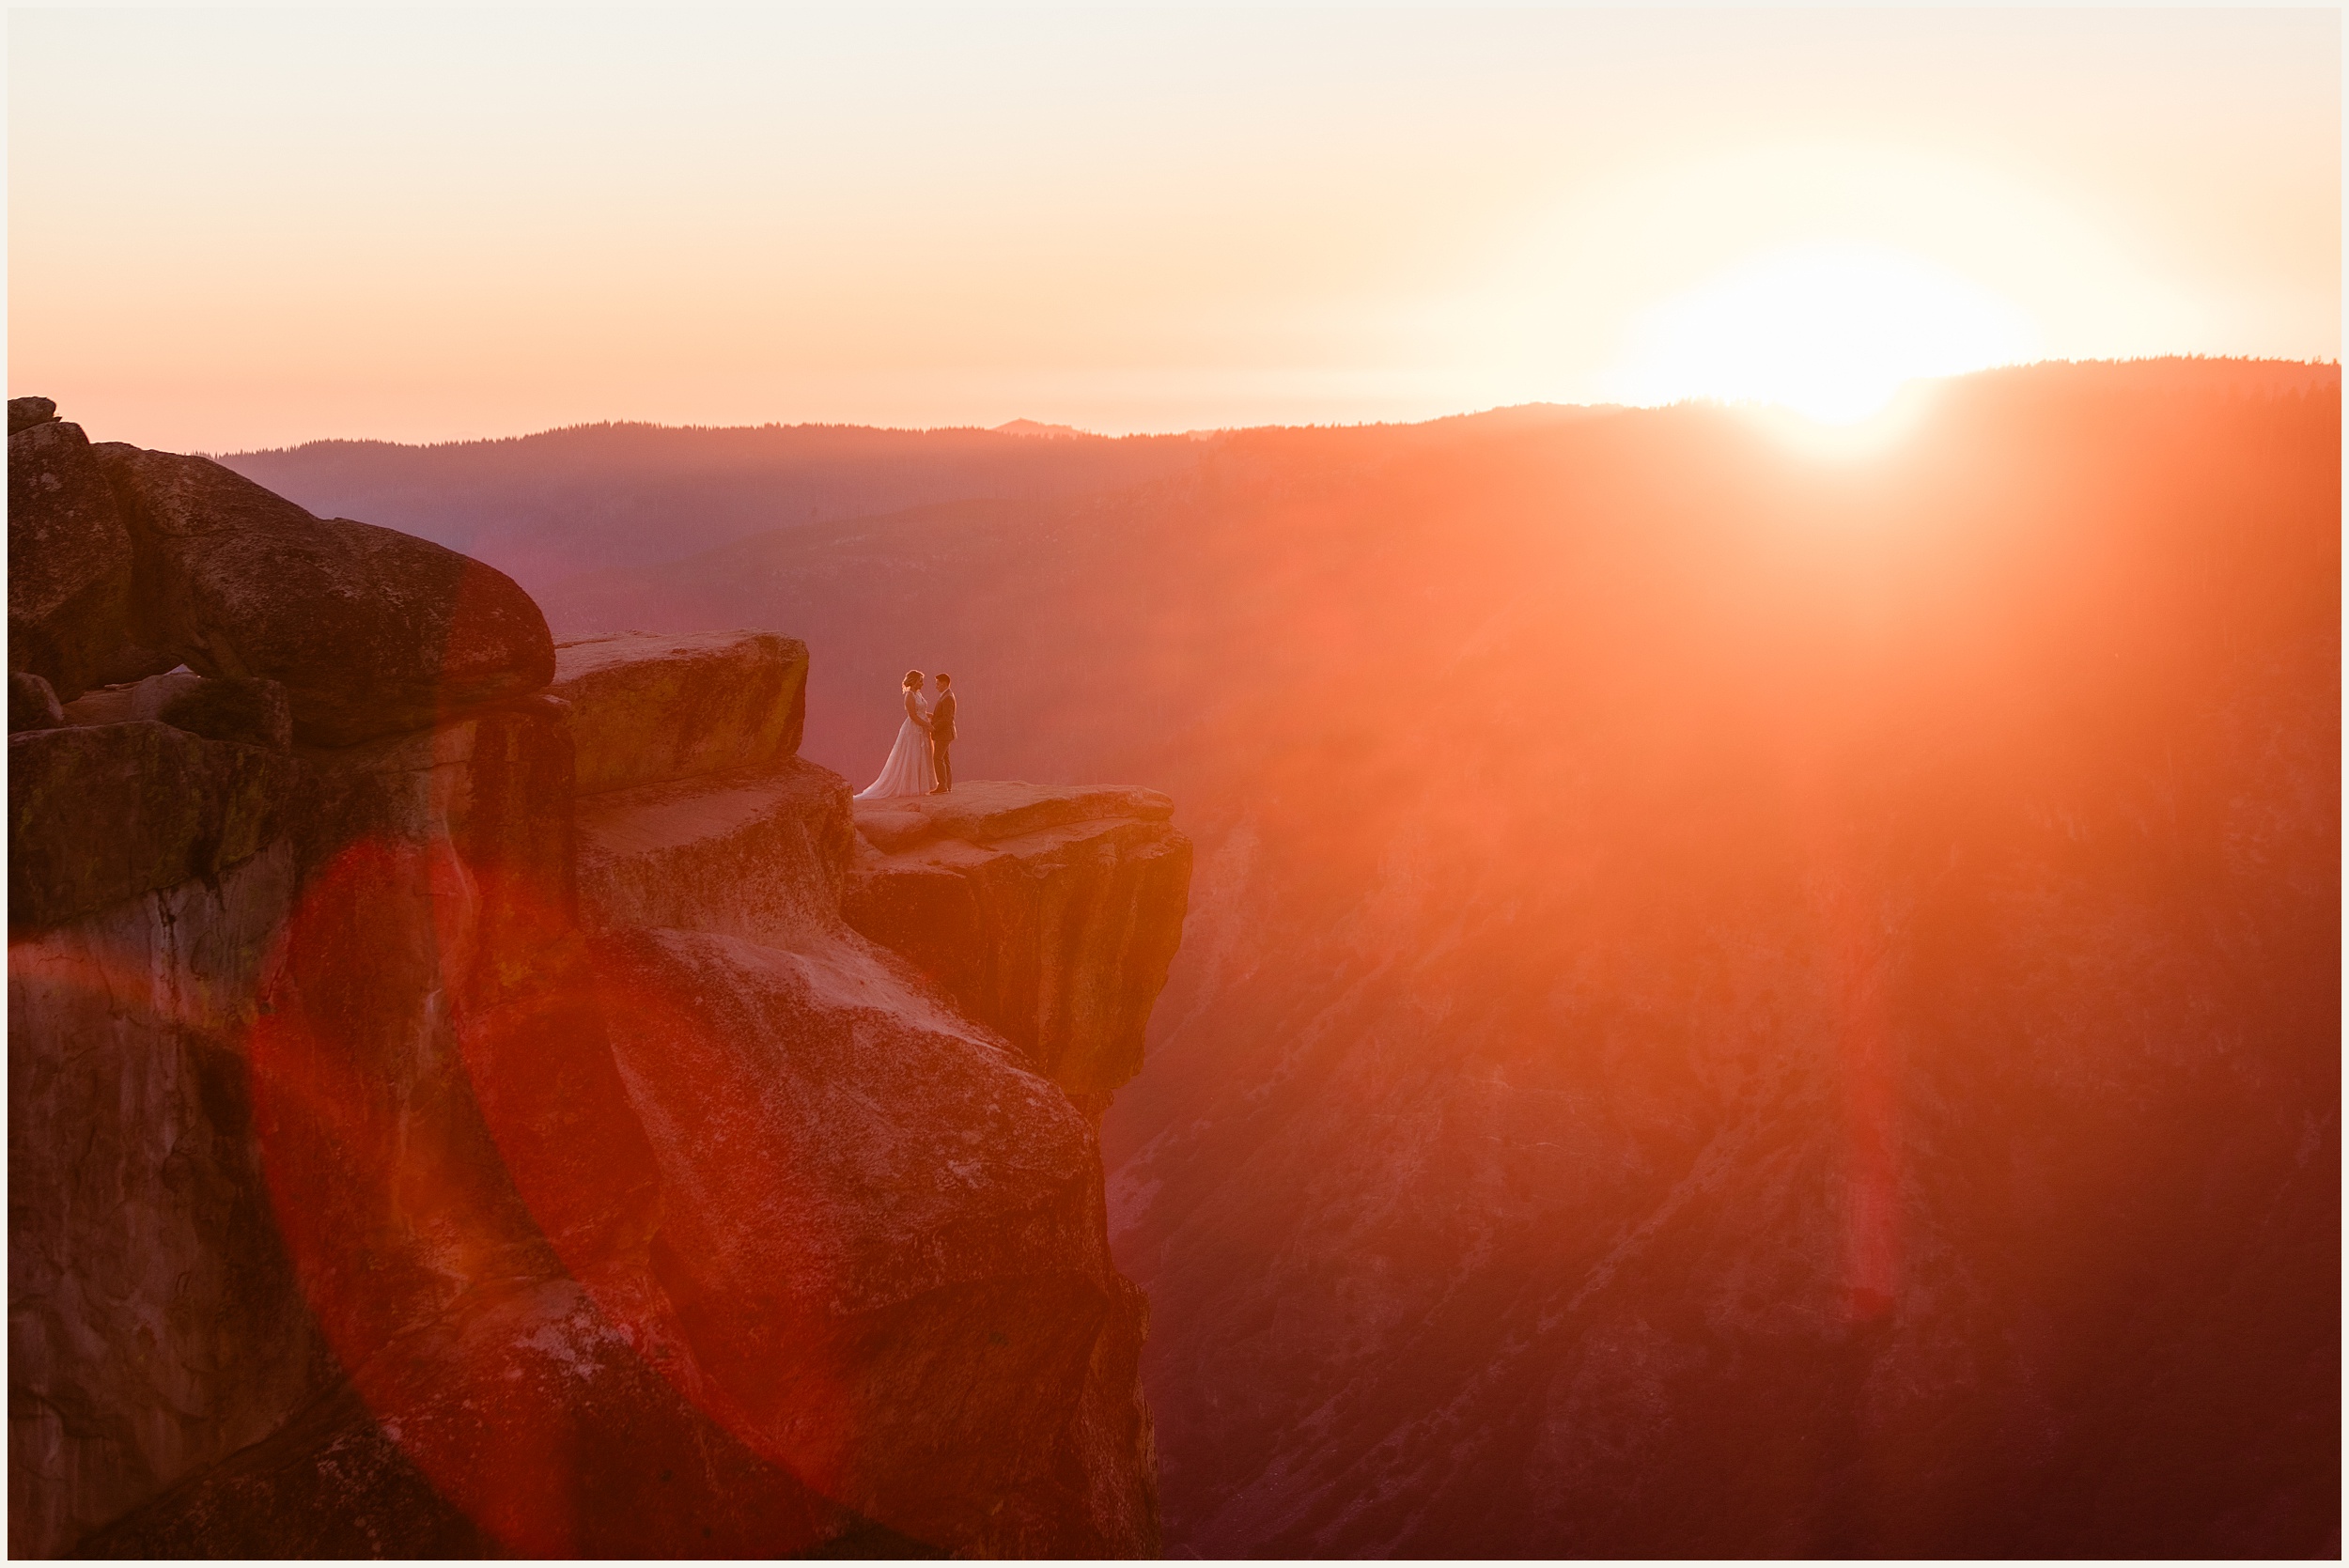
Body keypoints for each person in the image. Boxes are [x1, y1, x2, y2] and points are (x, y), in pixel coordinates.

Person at [854, 670, 936, 799]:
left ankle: (919, 786)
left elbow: (920, 712)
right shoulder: (909, 696)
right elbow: (913, 716)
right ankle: (911, 787)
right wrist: (928, 725)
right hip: (914, 730)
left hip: (922, 728)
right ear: (914, 681)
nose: (922, 683)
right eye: (920, 681)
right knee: (912, 756)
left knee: (920, 756)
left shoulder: (918, 694)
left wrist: (932, 716)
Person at [927, 673, 957, 793]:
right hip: (945, 734)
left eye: (938, 683)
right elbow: (943, 716)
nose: (936, 686)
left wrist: (933, 727)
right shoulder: (946, 696)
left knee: (937, 758)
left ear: (944, 683)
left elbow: (947, 718)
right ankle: (947, 785)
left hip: (944, 734)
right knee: (945, 759)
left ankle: (942, 785)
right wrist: (931, 716)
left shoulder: (947, 697)